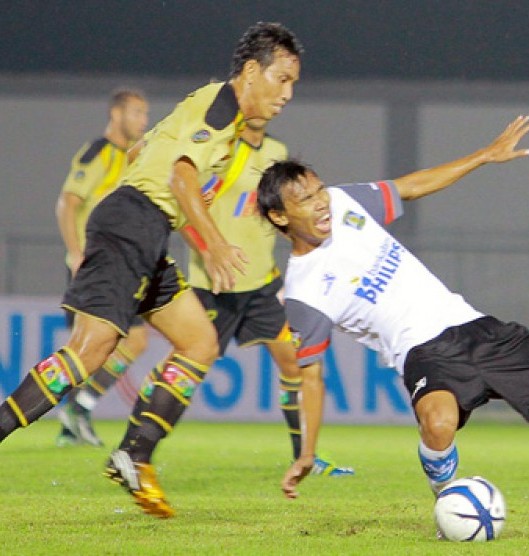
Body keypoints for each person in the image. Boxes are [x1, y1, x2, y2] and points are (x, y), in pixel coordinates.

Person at [259, 115, 529, 541]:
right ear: (280, 217)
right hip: (422, 352)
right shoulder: (305, 292)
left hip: (473, 326)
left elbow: (410, 186)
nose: (321, 203)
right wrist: (307, 451)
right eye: (304, 199)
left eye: (319, 189)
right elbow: (312, 376)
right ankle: (447, 498)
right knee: (439, 424)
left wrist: (484, 156)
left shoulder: (345, 205)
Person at [0, 21, 302, 519]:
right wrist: (214, 245)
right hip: (132, 222)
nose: (288, 93)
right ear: (252, 71)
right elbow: (180, 179)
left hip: (146, 228)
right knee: (88, 352)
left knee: (200, 343)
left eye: (294, 83)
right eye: (283, 79)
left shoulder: (211, 118)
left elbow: (147, 155)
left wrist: (183, 218)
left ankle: (134, 454)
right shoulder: (221, 106)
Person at [123, 122, 353, 476]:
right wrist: (206, 250)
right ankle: (134, 446)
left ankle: (305, 458)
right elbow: (180, 201)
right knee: (183, 366)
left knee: (294, 364)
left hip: (261, 285)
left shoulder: (276, 153)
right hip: (215, 286)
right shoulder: (215, 151)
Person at [54, 88, 150, 447]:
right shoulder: (98, 153)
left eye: (145, 113)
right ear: (117, 114)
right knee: (87, 349)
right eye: (138, 113)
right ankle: (69, 414)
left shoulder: (134, 158)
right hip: (92, 267)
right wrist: (76, 253)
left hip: (121, 267)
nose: (144, 120)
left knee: (133, 342)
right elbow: (67, 202)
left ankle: (77, 409)